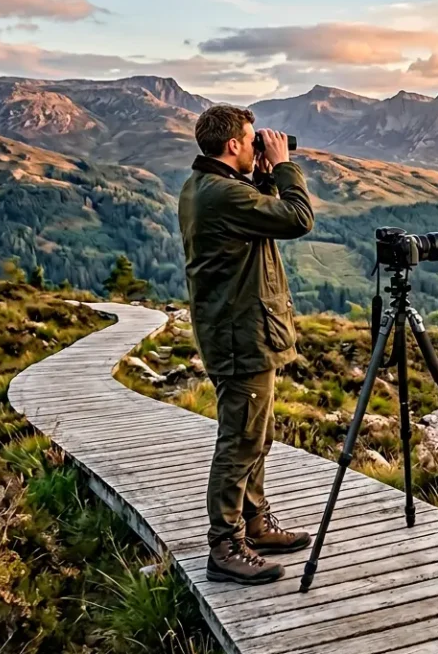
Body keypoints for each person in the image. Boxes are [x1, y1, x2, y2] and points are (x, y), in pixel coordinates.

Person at [178, 105, 314, 585]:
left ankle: (254, 523)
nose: (259, 144)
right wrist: (282, 167)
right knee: (240, 441)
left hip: (243, 331)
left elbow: (261, 218)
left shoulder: (211, 188)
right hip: (241, 336)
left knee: (257, 435)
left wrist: (263, 179)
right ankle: (225, 546)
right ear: (233, 144)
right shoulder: (220, 194)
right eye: (253, 139)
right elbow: (298, 220)